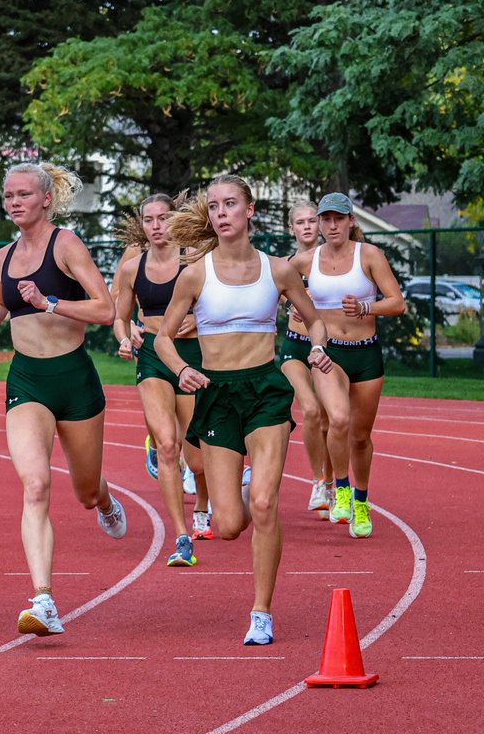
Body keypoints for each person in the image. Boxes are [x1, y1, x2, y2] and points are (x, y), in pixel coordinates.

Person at [155, 176, 332, 646]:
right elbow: (162, 338)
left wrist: (316, 350)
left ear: (250, 210)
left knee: (264, 505)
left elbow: (314, 322)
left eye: (230, 204)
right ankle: (249, 489)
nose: (221, 213)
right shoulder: (195, 274)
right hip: (216, 393)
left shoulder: (278, 270)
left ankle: (261, 612)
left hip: (265, 390)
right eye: (214, 207)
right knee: (229, 525)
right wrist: (179, 371)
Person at [0, 161, 125, 637]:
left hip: (75, 380)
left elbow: (106, 308)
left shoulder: (67, 245)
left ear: (44, 199)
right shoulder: (2, 258)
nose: (15, 202)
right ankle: (44, 600)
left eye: (23, 195)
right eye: (8, 196)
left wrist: (51, 303)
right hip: (27, 382)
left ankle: (103, 500)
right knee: (35, 485)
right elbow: (0, 298)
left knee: (84, 490)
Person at [290, 192, 405, 539]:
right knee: (337, 419)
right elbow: (274, 281)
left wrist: (367, 309)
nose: (331, 225)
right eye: (325, 219)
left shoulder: (368, 255)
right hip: (328, 353)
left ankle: (362, 500)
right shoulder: (308, 260)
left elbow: (397, 303)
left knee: (360, 437)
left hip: (366, 353)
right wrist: (293, 306)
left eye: (338, 218)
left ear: (351, 221)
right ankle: (339, 488)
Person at [113, 194, 205, 567]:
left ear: (175, 219)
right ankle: (182, 536)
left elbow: (219, 304)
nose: (156, 225)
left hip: (191, 355)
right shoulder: (133, 267)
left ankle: (202, 503)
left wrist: (197, 320)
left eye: (163, 218)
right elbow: (118, 316)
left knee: (197, 459)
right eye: (149, 219)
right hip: (152, 356)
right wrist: (124, 335)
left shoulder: (195, 257)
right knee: (168, 446)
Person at [278, 202, 334, 517]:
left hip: (325, 347)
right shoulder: (286, 266)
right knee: (311, 410)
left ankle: (332, 480)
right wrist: (291, 305)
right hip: (294, 346)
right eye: (301, 222)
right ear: (292, 229)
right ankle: (318, 482)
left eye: (313, 220)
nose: (308, 227)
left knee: (330, 419)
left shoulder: (333, 263)